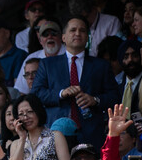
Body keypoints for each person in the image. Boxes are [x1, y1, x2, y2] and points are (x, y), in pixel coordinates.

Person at [32, 16, 120, 150]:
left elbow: (115, 96)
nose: (77, 33)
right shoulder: (48, 65)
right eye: (73, 30)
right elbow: (36, 95)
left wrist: (95, 99)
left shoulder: (101, 65)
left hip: (92, 132)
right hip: (57, 131)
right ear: (63, 37)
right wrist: (61, 93)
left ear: (88, 38)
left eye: (82, 30)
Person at [8, 93, 71, 160]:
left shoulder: (55, 136)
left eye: (30, 112)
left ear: (38, 111)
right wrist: (22, 139)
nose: (26, 117)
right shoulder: (16, 144)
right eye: (21, 114)